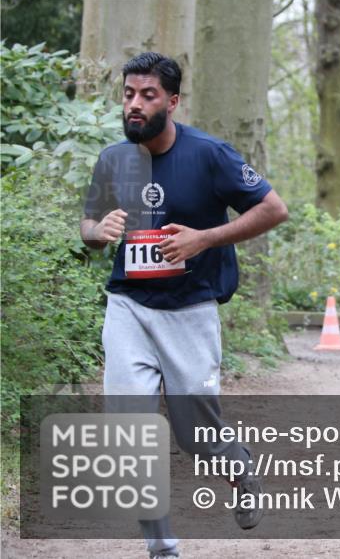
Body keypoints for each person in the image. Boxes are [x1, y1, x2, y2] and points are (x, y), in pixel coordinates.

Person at [81, 52, 288, 558]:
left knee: (196, 436)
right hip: (128, 305)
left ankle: (237, 467)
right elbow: (87, 226)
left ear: (171, 101)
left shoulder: (209, 154)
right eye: (128, 94)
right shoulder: (112, 158)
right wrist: (98, 232)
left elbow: (274, 208)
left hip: (191, 310)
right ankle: (163, 548)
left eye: (147, 95)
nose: (134, 104)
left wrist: (205, 239)